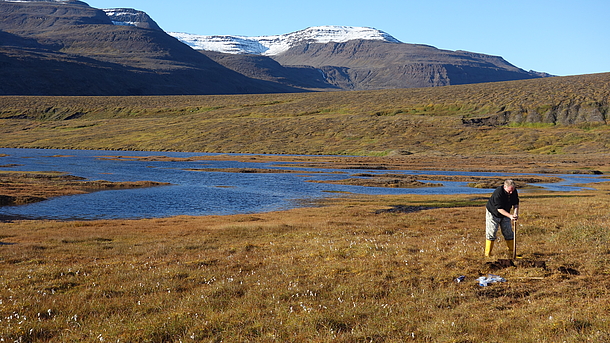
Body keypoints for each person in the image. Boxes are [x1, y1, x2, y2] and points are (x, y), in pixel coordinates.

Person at [485, 179, 519, 257]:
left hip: (506, 213)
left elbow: (516, 203)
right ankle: (487, 254)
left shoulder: (513, 191)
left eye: (512, 191)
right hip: (493, 213)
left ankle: (512, 254)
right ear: (504, 187)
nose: (511, 193)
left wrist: (515, 213)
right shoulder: (498, 192)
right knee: (492, 232)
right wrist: (510, 216)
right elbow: (499, 208)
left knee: (509, 232)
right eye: (509, 191)